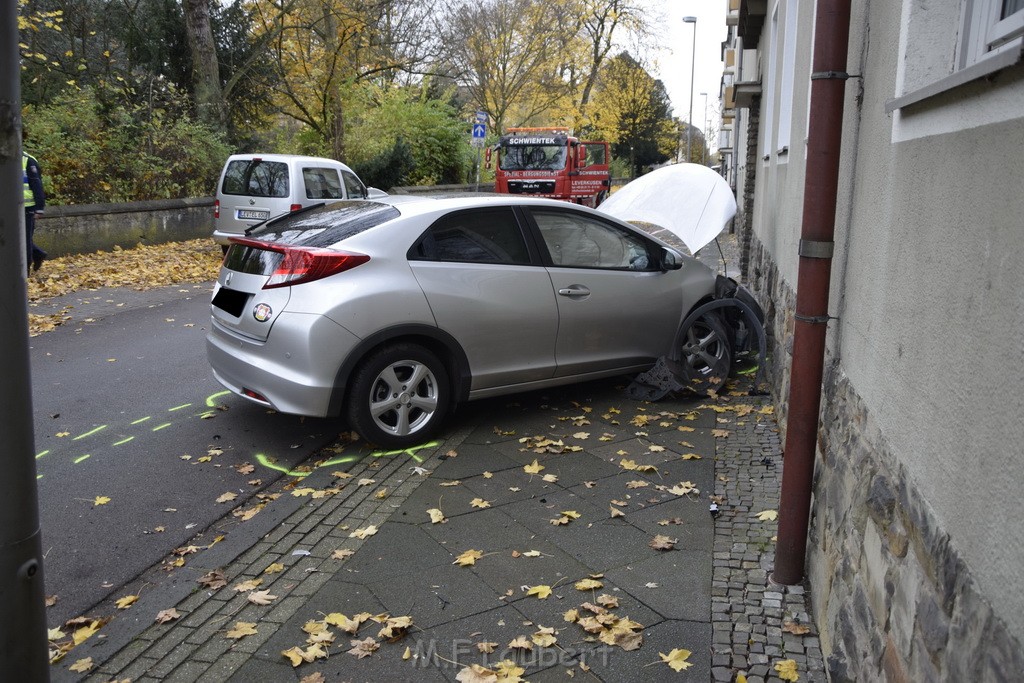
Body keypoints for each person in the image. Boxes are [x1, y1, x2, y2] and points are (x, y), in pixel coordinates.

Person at [23, 144, 47, 275]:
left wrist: (39, 208)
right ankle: (38, 254)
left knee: (25, 239)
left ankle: (24, 270)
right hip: (10, 208)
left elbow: (36, 185)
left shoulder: (28, 160)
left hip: (27, 207)